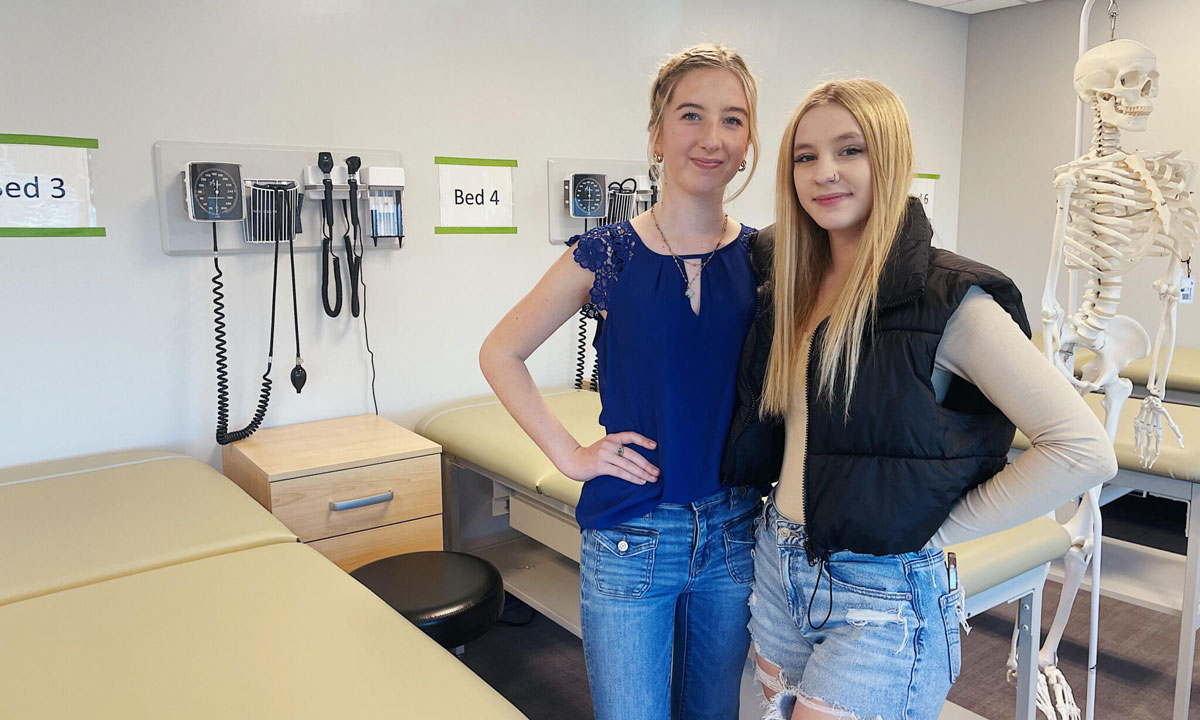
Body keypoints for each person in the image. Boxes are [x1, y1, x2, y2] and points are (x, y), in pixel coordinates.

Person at [720, 78, 1118, 720]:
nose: (825, 172)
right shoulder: (790, 278)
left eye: (851, 150)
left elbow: (1083, 450)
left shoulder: (950, 297)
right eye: (805, 155)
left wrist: (935, 528)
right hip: (780, 567)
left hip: (884, 595)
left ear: (892, 158)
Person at [479, 44, 764, 720]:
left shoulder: (765, 257)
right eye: (691, 115)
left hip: (734, 533)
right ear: (657, 135)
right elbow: (501, 352)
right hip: (635, 531)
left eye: (734, 119)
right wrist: (569, 454)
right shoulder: (605, 253)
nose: (712, 137)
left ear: (750, 143)